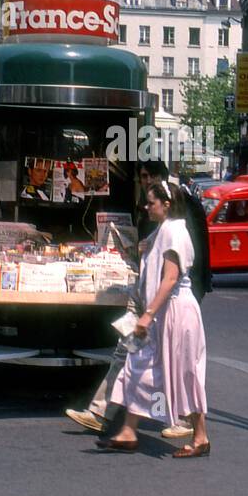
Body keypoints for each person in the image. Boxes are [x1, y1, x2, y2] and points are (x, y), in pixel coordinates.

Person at [66, 159, 210, 436]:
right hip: (150, 301)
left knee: (167, 363)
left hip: (165, 306)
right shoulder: (159, 218)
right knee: (133, 356)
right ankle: (107, 415)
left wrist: (152, 311)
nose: (145, 197)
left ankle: (181, 424)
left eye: (146, 178)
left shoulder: (178, 219)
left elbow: (177, 270)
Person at [101, 180, 209, 457]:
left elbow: (170, 278)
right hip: (161, 312)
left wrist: (147, 315)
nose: (146, 207)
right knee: (138, 365)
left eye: (151, 203)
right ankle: (128, 430)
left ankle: (200, 438)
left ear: (167, 204)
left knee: (185, 372)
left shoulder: (174, 231)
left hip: (173, 313)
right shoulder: (164, 230)